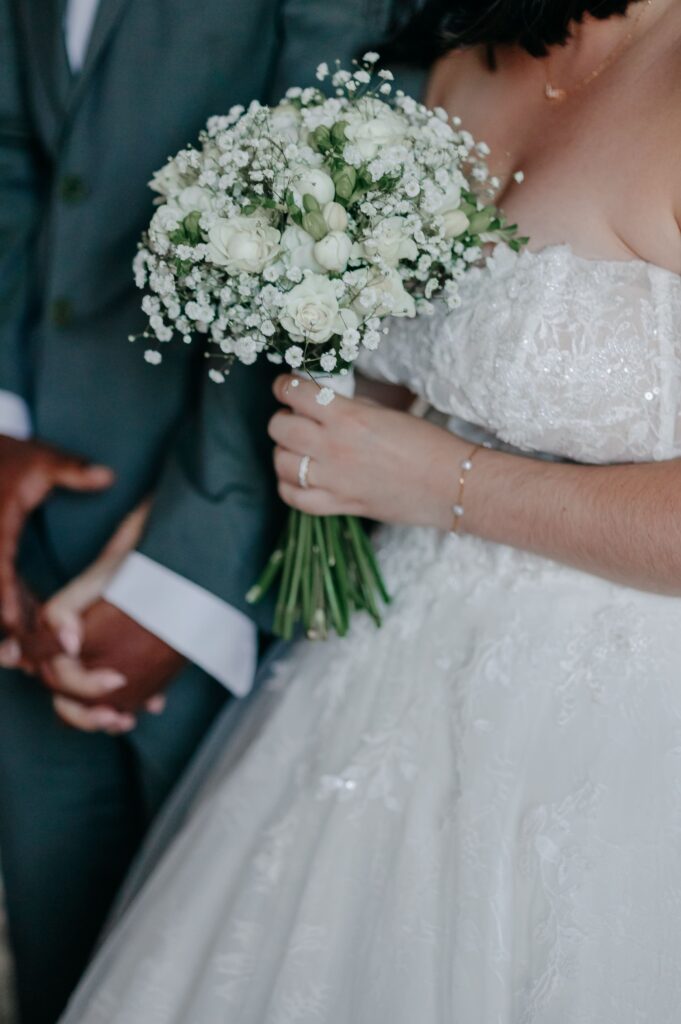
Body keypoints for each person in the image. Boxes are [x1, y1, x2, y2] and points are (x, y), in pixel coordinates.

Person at [58, 0, 681, 1020]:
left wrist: (438, 483)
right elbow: (399, 389)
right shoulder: (463, 74)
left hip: (625, 730)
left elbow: (417, 458)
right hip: (384, 676)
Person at [0, 2, 407, 1021]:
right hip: (33, 531)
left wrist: (185, 572)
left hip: (234, 552)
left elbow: (332, 192)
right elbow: (13, 151)